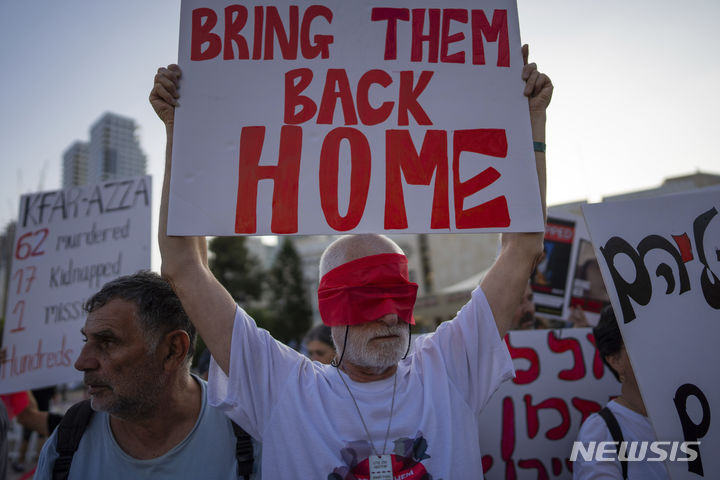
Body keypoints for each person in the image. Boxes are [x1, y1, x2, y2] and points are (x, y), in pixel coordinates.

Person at [152, 44, 552, 478]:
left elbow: (522, 247)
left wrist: (529, 122)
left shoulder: (450, 367)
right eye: (366, 297)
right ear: (330, 307)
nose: (388, 317)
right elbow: (183, 265)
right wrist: (181, 131)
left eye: (397, 296)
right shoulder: (283, 388)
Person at [34, 271, 255, 479]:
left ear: (172, 350)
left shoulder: (249, 434)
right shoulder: (68, 441)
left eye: (107, 342)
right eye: (87, 341)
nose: (82, 363)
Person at [573, 306, 669, 479]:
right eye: (643, 342)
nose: (657, 349)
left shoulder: (694, 415)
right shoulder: (600, 434)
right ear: (615, 360)